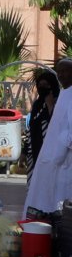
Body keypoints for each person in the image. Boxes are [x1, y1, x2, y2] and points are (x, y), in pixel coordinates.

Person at [25, 59, 72, 222]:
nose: (62, 75)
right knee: (43, 196)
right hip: (47, 157)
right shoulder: (65, 94)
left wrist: (60, 147)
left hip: (63, 159)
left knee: (60, 200)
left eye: (66, 71)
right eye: (59, 72)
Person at [26, 69, 60, 179]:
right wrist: (24, 152)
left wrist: (50, 106)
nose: (42, 88)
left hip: (51, 153)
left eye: (46, 85)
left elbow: (58, 125)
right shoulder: (37, 104)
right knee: (34, 187)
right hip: (34, 152)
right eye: (40, 85)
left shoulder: (59, 102)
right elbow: (30, 127)